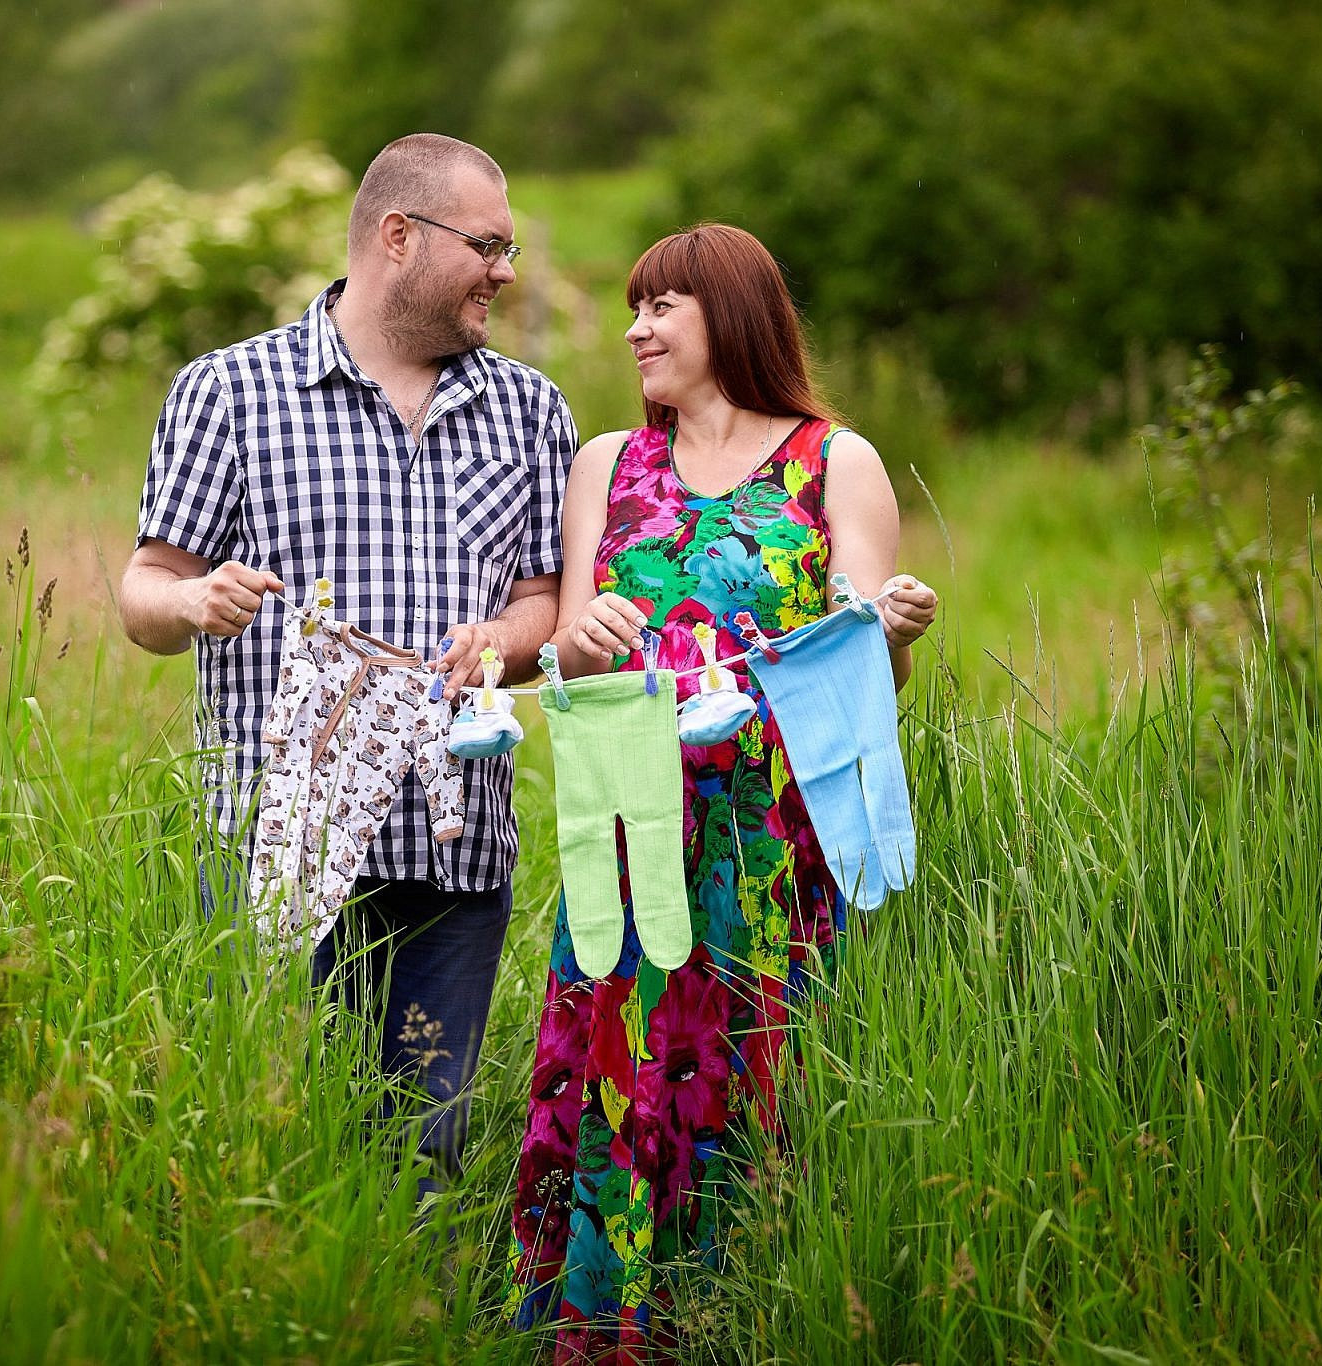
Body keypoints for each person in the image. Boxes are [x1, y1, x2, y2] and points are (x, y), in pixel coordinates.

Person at [504, 223, 939, 1356]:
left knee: (759, 1067)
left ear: (732, 317)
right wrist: (581, 638)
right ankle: (601, 1329)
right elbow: (561, 652)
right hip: (631, 827)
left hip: (772, 838)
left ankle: (752, 1311)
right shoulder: (606, 461)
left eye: (663, 306)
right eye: (635, 306)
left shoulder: (832, 460)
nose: (635, 327)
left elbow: (867, 669)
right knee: (620, 1065)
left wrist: (891, 631)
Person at [117, 134, 578, 1197]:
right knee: (272, 1152)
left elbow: (542, 599)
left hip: (455, 845)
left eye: (510, 247)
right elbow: (142, 593)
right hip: (282, 845)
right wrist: (194, 599)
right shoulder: (228, 392)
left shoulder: (529, 407)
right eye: (489, 245)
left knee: (425, 1157)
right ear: (398, 236)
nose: (506, 271)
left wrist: (501, 643)